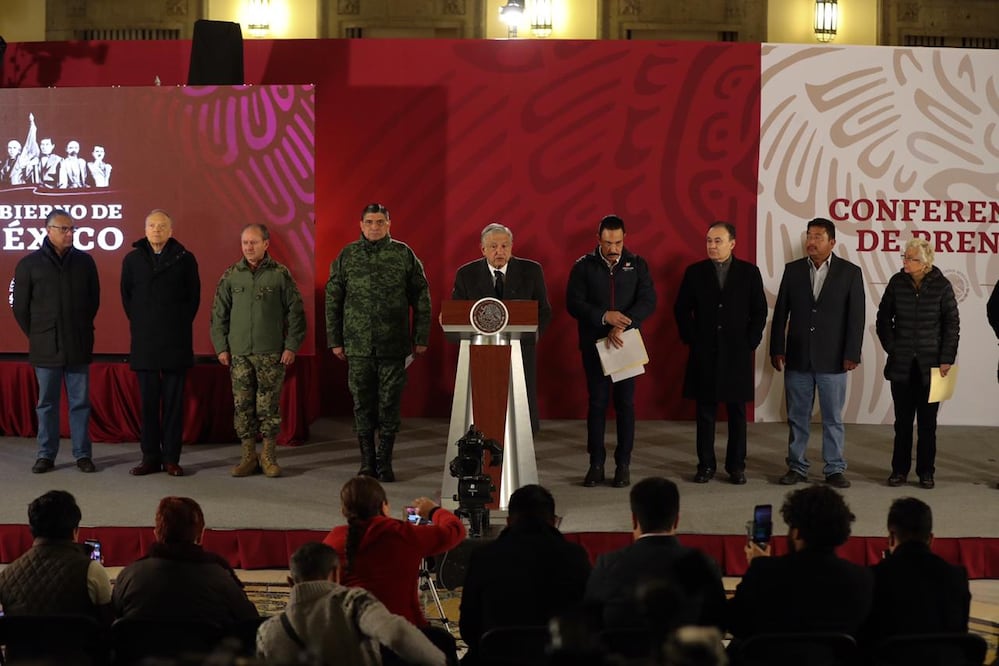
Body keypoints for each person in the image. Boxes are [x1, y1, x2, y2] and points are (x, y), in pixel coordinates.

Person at [326, 203, 432, 482]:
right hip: (357, 346)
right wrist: (335, 340)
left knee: (389, 404)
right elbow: (333, 299)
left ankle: (384, 462)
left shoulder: (403, 254)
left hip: (393, 345)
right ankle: (366, 462)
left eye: (380, 222)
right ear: (361, 225)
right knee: (362, 404)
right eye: (370, 222)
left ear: (389, 224)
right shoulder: (347, 255)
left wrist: (420, 337)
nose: (375, 227)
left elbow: (422, 297)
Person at [769, 217, 864, 488]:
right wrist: (777, 348)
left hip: (834, 359)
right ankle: (797, 466)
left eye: (818, 237)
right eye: (809, 236)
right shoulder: (793, 270)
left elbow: (856, 317)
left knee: (832, 418)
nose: (811, 242)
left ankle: (834, 468)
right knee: (798, 417)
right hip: (798, 356)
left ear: (832, 242)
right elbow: (781, 312)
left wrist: (852, 353)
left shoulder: (850, 272)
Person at [566, 214, 657, 488]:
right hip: (595, 346)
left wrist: (622, 323)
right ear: (598, 239)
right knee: (597, 404)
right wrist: (604, 316)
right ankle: (596, 464)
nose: (613, 248)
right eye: (608, 243)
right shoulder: (583, 266)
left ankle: (623, 464)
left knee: (625, 405)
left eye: (617, 242)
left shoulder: (637, 264)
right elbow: (573, 303)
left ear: (624, 238)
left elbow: (648, 300)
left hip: (625, 344)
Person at [673, 222, 767, 485]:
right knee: (705, 414)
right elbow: (681, 309)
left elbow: (759, 311)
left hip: (737, 353)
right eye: (709, 241)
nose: (712, 246)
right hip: (704, 352)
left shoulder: (749, 272)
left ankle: (736, 466)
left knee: (737, 414)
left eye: (718, 241)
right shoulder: (695, 272)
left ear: (732, 244)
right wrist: (692, 339)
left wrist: (750, 341)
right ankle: (705, 465)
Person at [210, 223, 306, 478]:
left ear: (266, 244)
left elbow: (296, 313)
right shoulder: (231, 275)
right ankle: (248, 457)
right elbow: (218, 315)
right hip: (239, 354)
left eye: (253, 242)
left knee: (268, 408)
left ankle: (269, 457)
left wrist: (291, 346)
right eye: (245, 243)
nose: (249, 247)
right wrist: (221, 347)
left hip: (271, 354)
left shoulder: (280, 274)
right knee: (243, 407)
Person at [459, 485, 591, 665]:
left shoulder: (484, 556)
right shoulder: (575, 555)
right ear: (554, 521)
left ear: (508, 521)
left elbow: (468, 629)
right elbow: (589, 619)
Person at [256, 542, 446, 666]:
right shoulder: (353, 603)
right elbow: (397, 634)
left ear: (290, 582)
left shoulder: (267, 631)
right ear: (336, 573)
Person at [12, 208, 101, 474]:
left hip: (78, 343)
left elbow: (93, 301)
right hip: (45, 345)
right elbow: (20, 308)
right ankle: (46, 455)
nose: (70, 233)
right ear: (48, 231)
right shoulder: (29, 264)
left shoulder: (85, 262)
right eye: (64, 229)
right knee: (47, 404)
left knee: (80, 403)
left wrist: (79, 327)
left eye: (72, 229)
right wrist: (37, 333)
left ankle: (83, 454)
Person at [727, 485, 873, 642]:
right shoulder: (861, 579)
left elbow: (736, 624)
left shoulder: (764, 571)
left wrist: (759, 564)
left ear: (797, 533)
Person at [585, 477, 726, 633]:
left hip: (623, 648)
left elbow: (590, 622)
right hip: (685, 648)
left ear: (634, 520)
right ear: (676, 520)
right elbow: (718, 623)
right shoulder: (702, 564)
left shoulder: (608, 563)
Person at [322, 476, 466, 628]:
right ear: (384, 506)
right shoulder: (404, 535)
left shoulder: (332, 541)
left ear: (343, 511)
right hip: (401, 630)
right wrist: (433, 511)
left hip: (349, 631)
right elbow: (455, 530)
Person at [452, 223, 553, 434]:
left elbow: (544, 311)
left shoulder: (531, 271)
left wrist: (531, 337)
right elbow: (457, 313)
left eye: (505, 246)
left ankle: (523, 442)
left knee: (521, 404)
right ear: (483, 249)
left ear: (511, 247)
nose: (500, 251)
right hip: (481, 352)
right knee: (485, 406)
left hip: (520, 349)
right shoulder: (466, 274)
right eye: (494, 246)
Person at [121, 209, 201, 477]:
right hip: (145, 343)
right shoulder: (132, 260)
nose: (156, 230)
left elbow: (193, 299)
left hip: (175, 342)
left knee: (174, 406)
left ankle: (171, 459)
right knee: (148, 405)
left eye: (162, 226)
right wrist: (144, 323)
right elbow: (127, 298)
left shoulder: (185, 259)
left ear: (171, 231)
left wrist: (175, 324)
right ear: (145, 230)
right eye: (152, 225)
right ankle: (150, 458)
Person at [876, 238, 959, 489]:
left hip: (934, 367)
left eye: (911, 258)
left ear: (925, 263)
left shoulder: (942, 286)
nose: (905, 262)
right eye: (905, 256)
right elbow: (883, 319)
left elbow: (952, 325)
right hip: (901, 365)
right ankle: (899, 471)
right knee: (902, 423)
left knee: (927, 424)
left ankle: (926, 472)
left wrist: (946, 359)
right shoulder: (896, 282)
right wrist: (893, 347)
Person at [112, 496, 259, 627]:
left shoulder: (129, 576)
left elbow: (112, 623)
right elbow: (250, 622)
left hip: (141, 649)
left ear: (156, 533)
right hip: (206, 649)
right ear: (200, 535)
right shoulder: (220, 576)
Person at [863, 497, 970, 645]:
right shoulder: (956, 576)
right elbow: (960, 635)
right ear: (931, 539)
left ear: (891, 538)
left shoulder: (873, 577)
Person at [0, 490, 112, 624]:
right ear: (75, 532)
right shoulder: (92, 570)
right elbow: (107, 622)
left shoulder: (7, 576)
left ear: (32, 530)